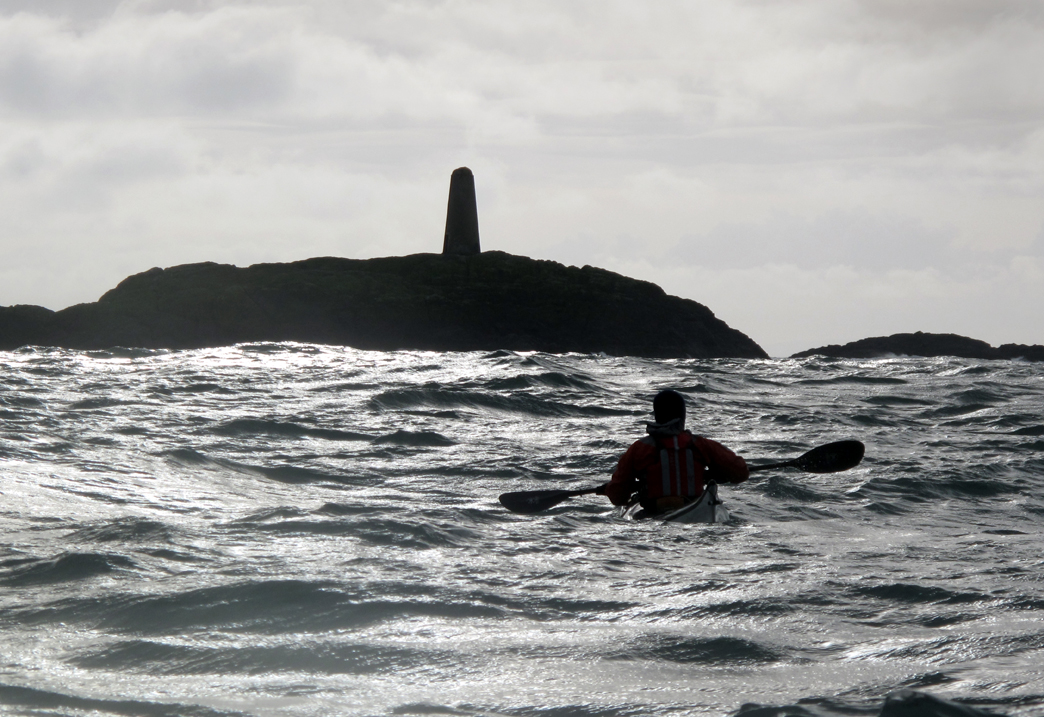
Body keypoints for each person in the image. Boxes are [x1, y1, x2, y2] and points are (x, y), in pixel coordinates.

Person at [598, 389, 748, 513]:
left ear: (657, 416)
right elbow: (741, 473)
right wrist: (714, 474)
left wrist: (611, 489)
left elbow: (618, 496)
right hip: (695, 509)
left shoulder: (639, 449)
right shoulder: (700, 445)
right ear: (682, 416)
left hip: (654, 514)